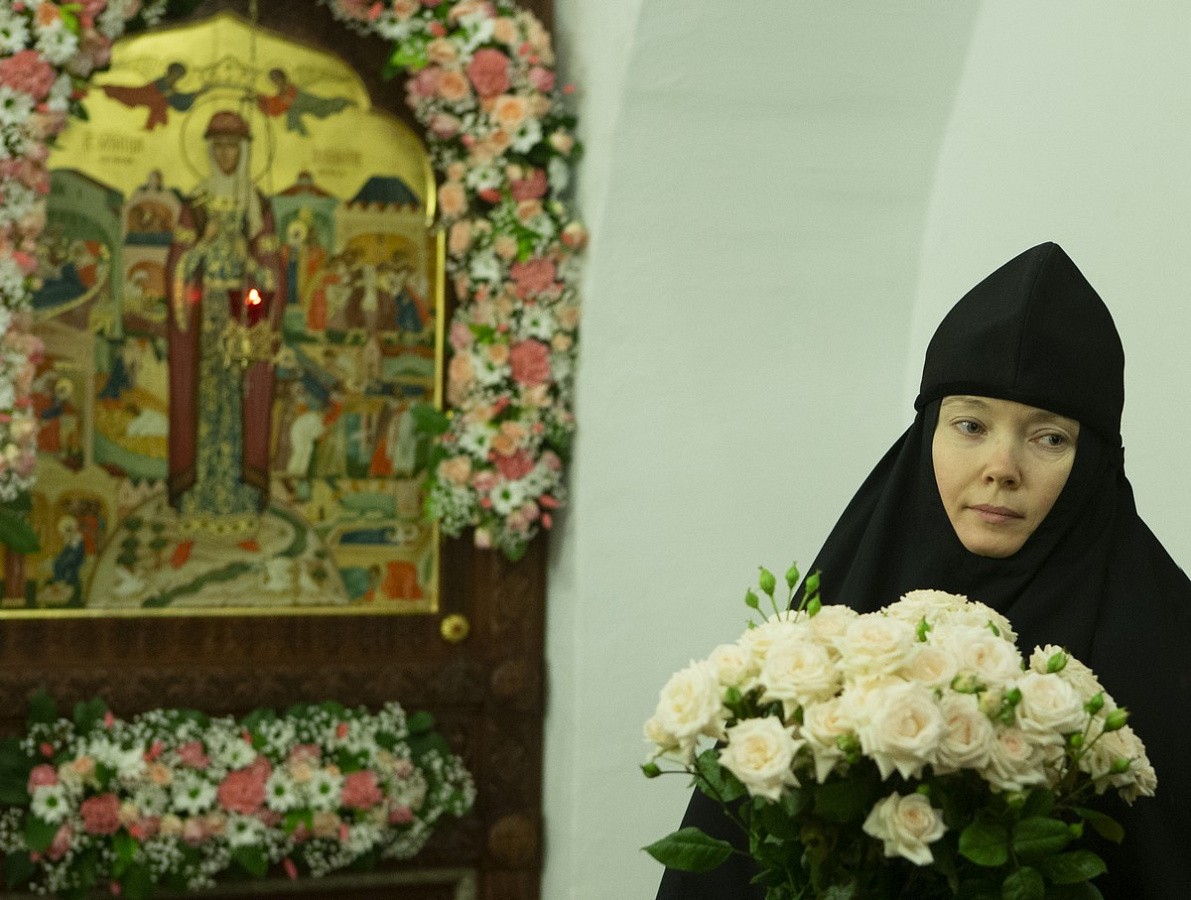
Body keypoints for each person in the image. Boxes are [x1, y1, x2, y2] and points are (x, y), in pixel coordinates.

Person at [655, 242, 1191, 899]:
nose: (1001, 468)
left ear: (1094, 462)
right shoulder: (838, 627)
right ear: (925, 435)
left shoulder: (1169, 648)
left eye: (1049, 438)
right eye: (970, 425)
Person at [166, 110, 284, 529]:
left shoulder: (257, 206)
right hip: (204, 320)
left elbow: (270, 277)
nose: (225, 155)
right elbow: (179, 270)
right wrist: (205, 243)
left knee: (237, 404)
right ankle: (199, 499)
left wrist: (248, 262)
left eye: (233, 147)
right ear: (209, 151)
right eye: (218, 147)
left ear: (244, 151)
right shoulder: (196, 205)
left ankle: (239, 500)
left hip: (241, 314)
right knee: (205, 406)